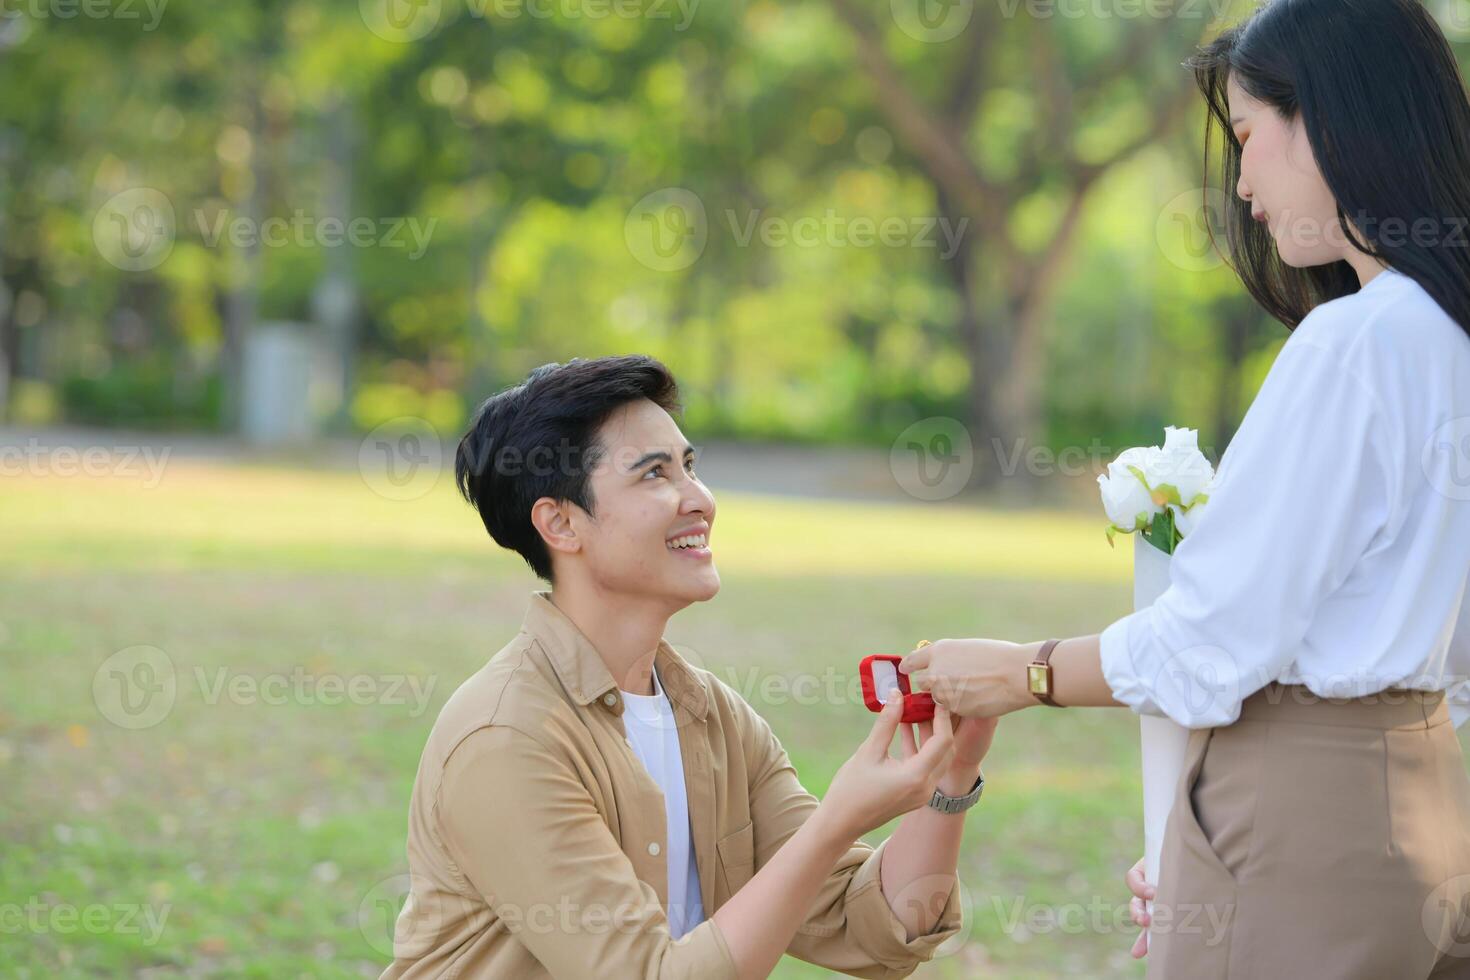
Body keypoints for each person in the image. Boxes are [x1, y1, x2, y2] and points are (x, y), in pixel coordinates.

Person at [899, 1, 1470, 976]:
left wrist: (1023, 671)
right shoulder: (1445, 339)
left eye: (1249, 137)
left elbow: (1216, 641)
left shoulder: (1358, 341)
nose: (1241, 182)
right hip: (1422, 805)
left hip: (1308, 807)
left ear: (1333, 116)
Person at [380, 354, 997, 980]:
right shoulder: (505, 738)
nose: (701, 500)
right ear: (561, 523)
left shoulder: (713, 716)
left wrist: (952, 777)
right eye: (654, 474)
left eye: (690, 467)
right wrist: (835, 822)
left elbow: (869, 929)